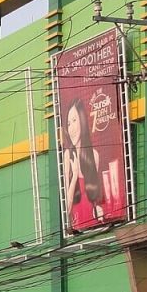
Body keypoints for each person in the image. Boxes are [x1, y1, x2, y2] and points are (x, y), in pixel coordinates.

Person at [61, 97, 104, 232]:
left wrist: (98, 208)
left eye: (74, 121)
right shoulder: (68, 155)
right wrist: (74, 177)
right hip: (77, 227)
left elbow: (96, 198)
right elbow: (66, 209)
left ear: (82, 121)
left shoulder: (94, 155)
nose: (71, 128)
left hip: (94, 223)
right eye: (68, 123)